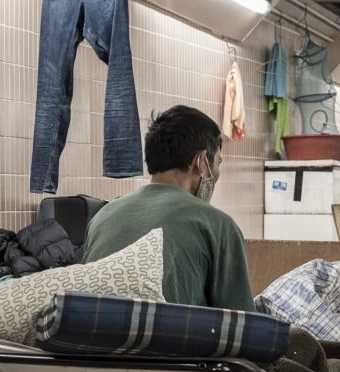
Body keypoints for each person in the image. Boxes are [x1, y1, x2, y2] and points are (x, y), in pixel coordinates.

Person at [83, 105, 256, 311]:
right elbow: (242, 325)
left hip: (92, 339)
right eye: (218, 162)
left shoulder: (103, 216)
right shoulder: (218, 225)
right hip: (169, 342)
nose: (217, 173)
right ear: (201, 162)